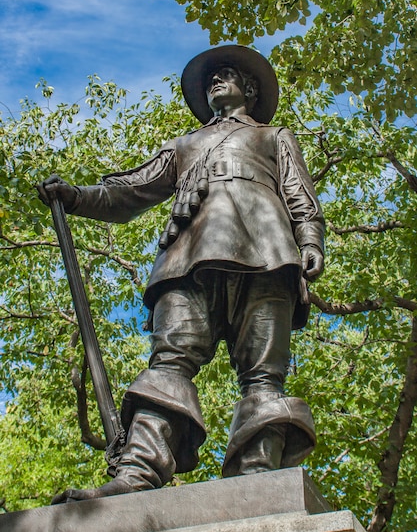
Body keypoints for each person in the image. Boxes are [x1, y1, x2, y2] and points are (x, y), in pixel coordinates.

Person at [37, 45, 325, 503]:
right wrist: (75, 196)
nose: (215, 81)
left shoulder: (275, 137)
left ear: (248, 90)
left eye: (226, 75)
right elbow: (128, 190)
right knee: (169, 361)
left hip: (269, 255)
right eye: (211, 78)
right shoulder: (184, 146)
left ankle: (259, 473)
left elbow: (300, 196)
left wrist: (310, 241)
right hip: (189, 258)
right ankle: (137, 471)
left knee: (264, 375)